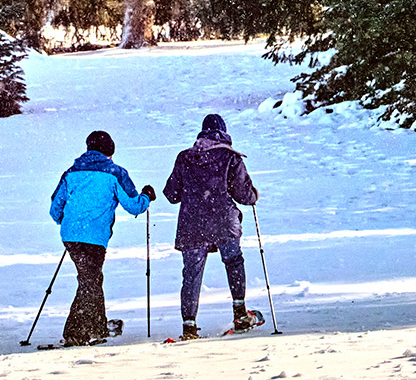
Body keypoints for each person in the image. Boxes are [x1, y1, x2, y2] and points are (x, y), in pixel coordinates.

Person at [48, 130, 155, 346]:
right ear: (110, 151)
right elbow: (133, 206)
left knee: (92, 278)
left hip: (71, 235)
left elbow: (54, 208)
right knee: (89, 280)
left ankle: (97, 325)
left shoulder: (71, 172)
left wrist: (70, 222)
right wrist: (146, 196)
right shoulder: (115, 173)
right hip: (95, 238)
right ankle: (76, 332)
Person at [163, 113, 260, 340]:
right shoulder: (230, 157)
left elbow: (171, 194)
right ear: (224, 132)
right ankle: (240, 313)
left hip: (192, 223)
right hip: (224, 221)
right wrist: (253, 195)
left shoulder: (185, 157)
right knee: (233, 262)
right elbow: (244, 194)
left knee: (192, 273)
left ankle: (189, 326)